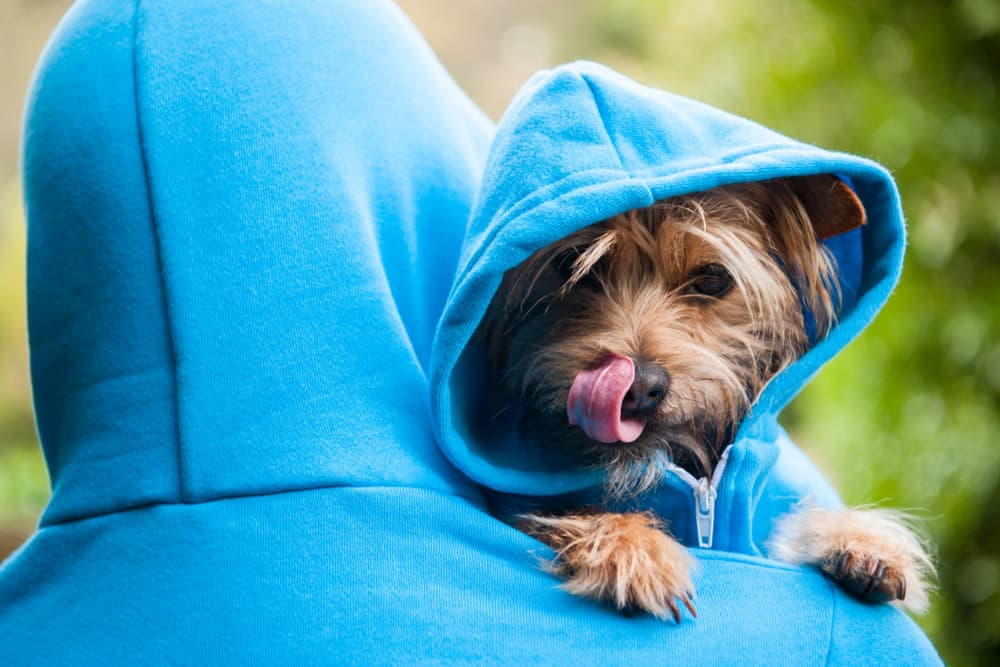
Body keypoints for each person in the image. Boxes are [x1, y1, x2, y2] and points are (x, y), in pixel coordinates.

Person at [0, 1, 940, 664]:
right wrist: (602, 529)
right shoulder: (487, 462)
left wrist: (844, 538)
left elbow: (794, 528)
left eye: (704, 286)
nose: (636, 348)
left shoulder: (764, 468)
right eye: (582, 284)